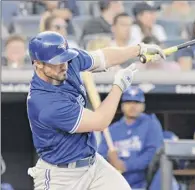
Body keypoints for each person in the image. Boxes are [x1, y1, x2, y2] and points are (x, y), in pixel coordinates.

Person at [26, 31, 165, 190]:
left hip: (92, 164)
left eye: (64, 59)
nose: (63, 65)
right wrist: (118, 87)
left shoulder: (68, 61)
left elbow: (104, 57)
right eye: (56, 62)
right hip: (61, 175)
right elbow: (100, 121)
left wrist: (139, 49)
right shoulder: (44, 103)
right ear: (38, 63)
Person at [98, 86, 164, 189]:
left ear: (143, 106)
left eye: (136, 102)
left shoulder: (151, 124)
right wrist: (110, 159)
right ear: (122, 105)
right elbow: (100, 155)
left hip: (143, 183)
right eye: (128, 102)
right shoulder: (111, 129)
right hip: (115, 183)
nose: (132, 106)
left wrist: (125, 165)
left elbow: (152, 154)